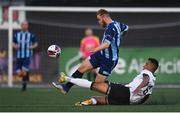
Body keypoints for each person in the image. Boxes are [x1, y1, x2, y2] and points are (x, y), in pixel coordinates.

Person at [52, 9, 128, 94]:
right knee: (82, 68)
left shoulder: (110, 28)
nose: (99, 22)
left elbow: (107, 44)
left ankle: (120, 90)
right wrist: (120, 37)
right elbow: (126, 28)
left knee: (97, 86)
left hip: (109, 60)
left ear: (104, 17)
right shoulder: (118, 24)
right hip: (101, 54)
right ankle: (66, 87)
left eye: (99, 19)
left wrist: (95, 49)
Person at [53, 58, 159, 105]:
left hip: (127, 93)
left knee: (95, 85)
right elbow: (145, 97)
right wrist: (136, 101)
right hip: (129, 101)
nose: (144, 65)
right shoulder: (153, 80)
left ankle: (66, 79)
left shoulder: (147, 73)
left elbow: (146, 79)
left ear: (151, 66)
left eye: (146, 63)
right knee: (102, 99)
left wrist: (137, 89)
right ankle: (87, 102)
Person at [13, 21, 38, 91]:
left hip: (27, 55)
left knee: (23, 71)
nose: (24, 26)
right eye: (23, 24)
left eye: (25, 24)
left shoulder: (31, 35)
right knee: (19, 72)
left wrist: (32, 47)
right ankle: (26, 76)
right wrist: (15, 46)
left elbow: (35, 43)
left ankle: (24, 86)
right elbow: (13, 43)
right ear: (21, 26)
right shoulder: (16, 35)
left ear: (27, 26)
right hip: (19, 56)